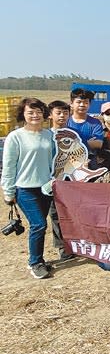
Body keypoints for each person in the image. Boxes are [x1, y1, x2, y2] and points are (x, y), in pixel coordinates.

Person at [1, 98, 55, 279]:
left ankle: (39, 258)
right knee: (39, 224)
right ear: (23, 114)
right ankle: (35, 262)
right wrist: (8, 191)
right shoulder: (15, 137)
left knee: (39, 225)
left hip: (46, 188)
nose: (35, 115)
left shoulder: (49, 135)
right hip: (25, 188)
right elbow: (9, 166)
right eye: (30, 112)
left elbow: (55, 162)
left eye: (38, 111)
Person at [46, 100, 73, 261]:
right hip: (52, 181)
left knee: (71, 213)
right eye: (58, 112)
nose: (62, 115)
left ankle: (74, 243)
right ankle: (62, 247)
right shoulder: (47, 135)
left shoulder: (72, 134)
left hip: (71, 181)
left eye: (65, 112)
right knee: (55, 214)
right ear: (50, 115)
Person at [66, 88, 104, 169]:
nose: (82, 105)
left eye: (86, 102)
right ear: (71, 104)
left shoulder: (95, 123)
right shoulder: (65, 122)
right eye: (79, 102)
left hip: (89, 162)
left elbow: (98, 143)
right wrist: (88, 143)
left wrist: (72, 143)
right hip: (67, 162)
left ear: (89, 104)